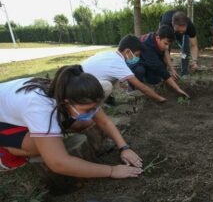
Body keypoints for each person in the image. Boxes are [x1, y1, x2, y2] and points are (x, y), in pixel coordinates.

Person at [0, 65, 143, 178]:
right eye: (88, 109)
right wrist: (111, 170)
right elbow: (58, 163)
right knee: (37, 146)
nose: (93, 112)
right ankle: (5, 151)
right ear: (67, 102)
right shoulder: (40, 107)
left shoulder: (69, 90)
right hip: (5, 120)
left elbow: (104, 122)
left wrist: (124, 147)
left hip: (17, 110)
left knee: (85, 123)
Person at [81, 34, 166, 104]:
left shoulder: (110, 54)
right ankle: (92, 110)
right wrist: (159, 98)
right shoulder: (118, 63)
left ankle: (108, 100)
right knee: (107, 86)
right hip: (80, 90)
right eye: (136, 55)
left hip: (77, 82)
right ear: (127, 52)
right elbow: (142, 87)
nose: (138, 58)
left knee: (112, 79)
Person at [128, 25, 190, 98]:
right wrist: (178, 89)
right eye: (165, 44)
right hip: (136, 61)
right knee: (139, 70)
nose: (167, 47)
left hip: (148, 59)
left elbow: (164, 53)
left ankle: (146, 79)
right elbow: (160, 68)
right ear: (157, 38)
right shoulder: (147, 45)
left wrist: (172, 70)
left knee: (155, 80)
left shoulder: (159, 36)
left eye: (168, 45)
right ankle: (132, 87)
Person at [159, 10, 199, 76]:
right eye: (178, 30)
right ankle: (164, 72)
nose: (180, 32)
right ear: (172, 24)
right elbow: (164, 47)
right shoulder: (166, 25)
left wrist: (195, 61)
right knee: (165, 47)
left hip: (178, 28)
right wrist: (171, 68)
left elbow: (194, 45)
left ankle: (184, 73)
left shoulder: (190, 26)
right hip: (167, 28)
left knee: (185, 49)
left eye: (183, 30)